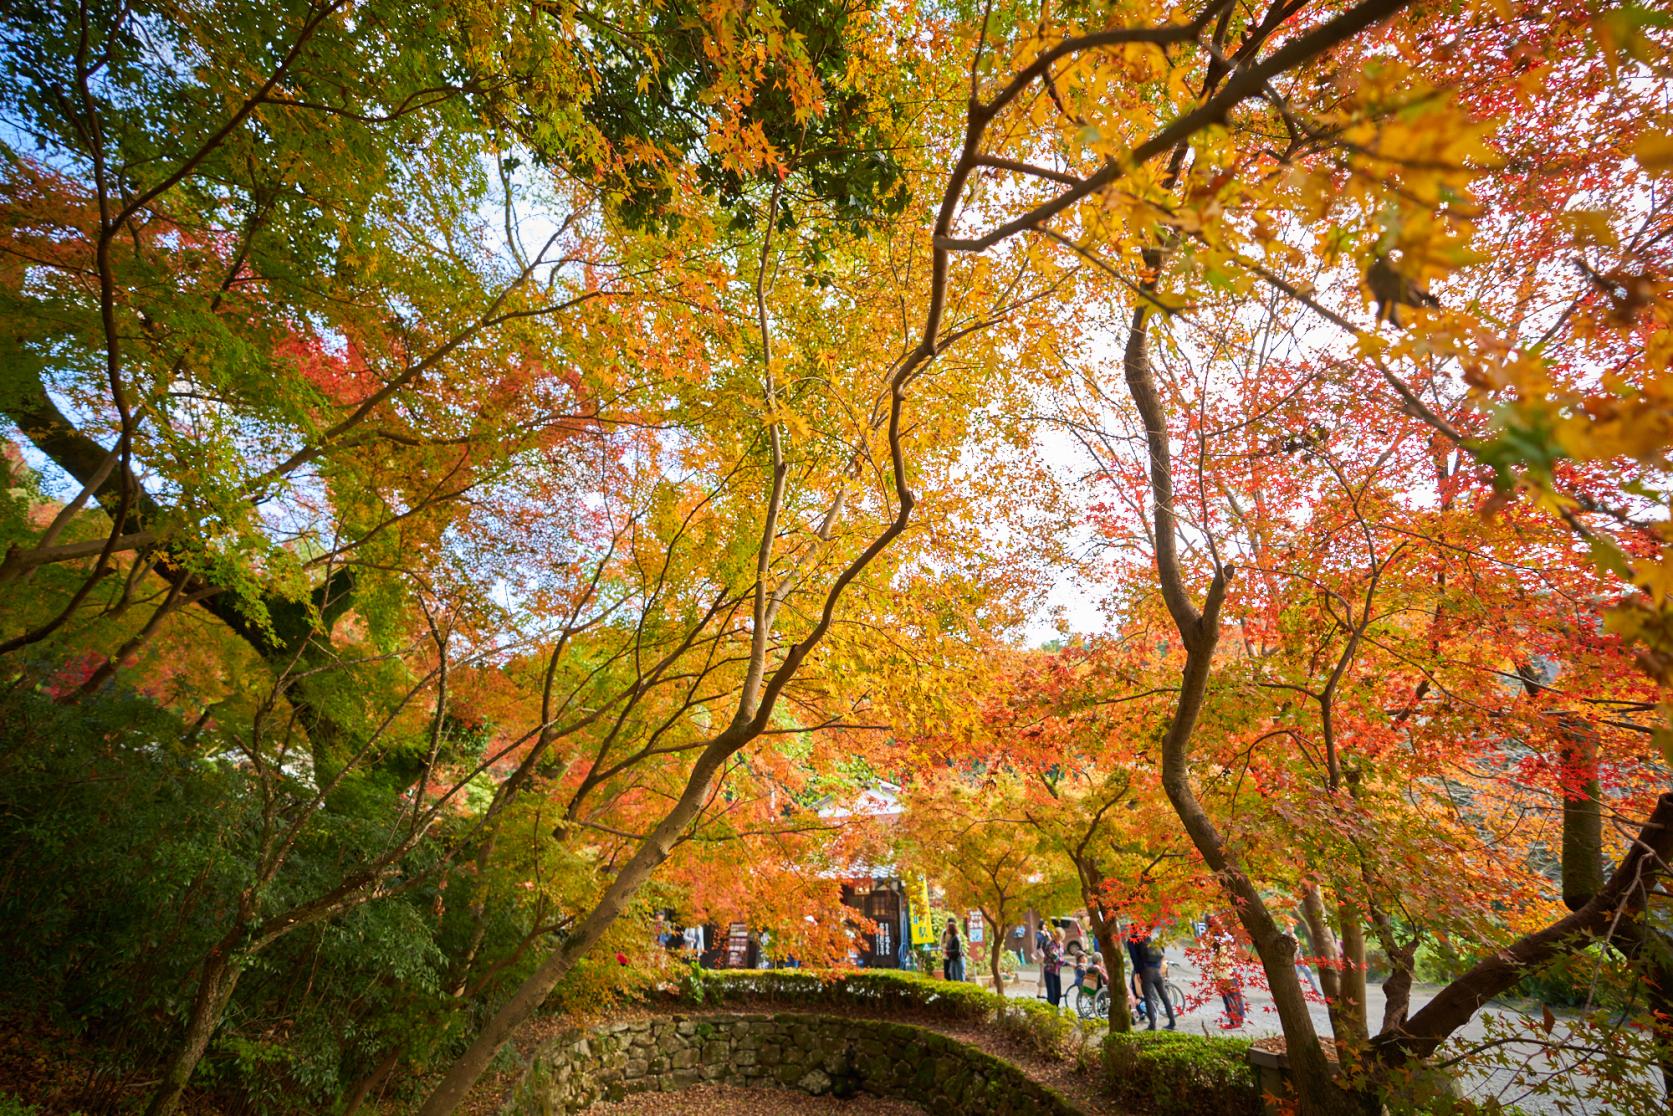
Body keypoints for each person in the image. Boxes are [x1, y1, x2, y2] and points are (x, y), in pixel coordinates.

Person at [1129, 929, 1176, 1031]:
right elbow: (1162, 950)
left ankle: (1152, 1025)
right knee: (1164, 997)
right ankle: (1172, 1022)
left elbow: (1134, 958)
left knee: (1148, 998)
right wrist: (1158, 965)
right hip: (1157, 970)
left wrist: (1137, 972)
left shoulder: (1133, 939)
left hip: (1146, 971)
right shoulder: (1151, 936)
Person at [1205, 915, 1246, 1029]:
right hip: (1229, 970)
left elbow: (1211, 955)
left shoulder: (1212, 938)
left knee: (1228, 996)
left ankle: (1235, 1020)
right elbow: (1232, 948)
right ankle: (1238, 1018)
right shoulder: (1224, 936)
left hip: (1222, 972)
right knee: (1233, 995)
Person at [1292, 920, 1321, 995]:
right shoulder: (1284, 936)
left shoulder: (1294, 935)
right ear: (1286, 927)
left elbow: (1299, 947)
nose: (1291, 928)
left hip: (1300, 960)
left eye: (1292, 927)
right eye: (1290, 927)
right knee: (1296, 975)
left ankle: (1314, 989)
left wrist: (1300, 955)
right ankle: (1295, 992)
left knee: (1308, 972)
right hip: (1293, 961)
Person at [1042, 928, 1064, 1008]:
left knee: (1058, 993)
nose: (1058, 938)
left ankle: (1055, 1010)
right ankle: (1050, 1012)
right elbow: (1057, 959)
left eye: (1060, 937)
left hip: (1057, 971)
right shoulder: (1050, 945)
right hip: (1049, 971)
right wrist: (1069, 964)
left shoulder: (1061, 945)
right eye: (1057, 936)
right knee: (1051, 993)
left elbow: (1061, 956)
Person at [941, 917, 965, 982]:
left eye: (948, 927)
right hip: (950, 958)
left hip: (957, 958)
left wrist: (947, 951)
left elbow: (957, 950)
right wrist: (946, 950)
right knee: (951, 976)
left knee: (959, 978)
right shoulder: (945, 933)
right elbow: (942, 944)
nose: (947, 928)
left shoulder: (956, 937)